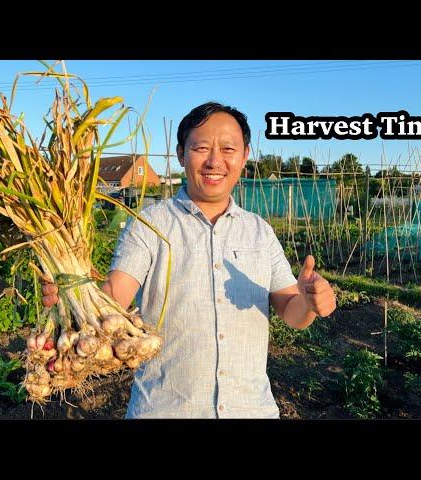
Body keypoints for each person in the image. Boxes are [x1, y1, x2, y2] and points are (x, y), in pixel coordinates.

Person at [42, 102, 336, 418]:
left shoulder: (259, 232)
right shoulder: (150, 223)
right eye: (201, 148)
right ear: (182, 154)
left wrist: (310, 302)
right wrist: (76, 294)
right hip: (164, 410)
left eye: (227, 149)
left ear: (244, 156)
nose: (214, 161)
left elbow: (292, 313)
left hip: (251, 409)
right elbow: (116, 295)